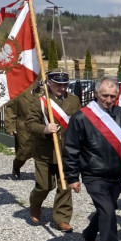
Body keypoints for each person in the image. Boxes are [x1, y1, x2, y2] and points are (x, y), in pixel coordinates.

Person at [63, 76, 121, 241]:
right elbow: (71, 149)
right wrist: (72, 177)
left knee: (106, 210)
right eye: (105, 95)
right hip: (93, 174)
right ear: (96, 94)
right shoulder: (82, 117)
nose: (108, 100)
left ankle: (89, 236)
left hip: (116, 174)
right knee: (108, 210)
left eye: (112, 96)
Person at [26, 72, 81, 231]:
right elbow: (30, 124)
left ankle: (62, 218)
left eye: (64, 85)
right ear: (49, 82)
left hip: (66, 151)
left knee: (65, 185)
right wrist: (44, 128)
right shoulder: (40, 101)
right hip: (45, 151)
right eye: (58, 84)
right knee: (44, 186)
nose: (62, 88)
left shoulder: (74, 100)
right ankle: (35, 203)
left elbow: (78, 122)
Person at [5, 84, 40, 179]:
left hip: (41, 126)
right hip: (24, 125)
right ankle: (16, 166)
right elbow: (11, 109)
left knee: (41, 151)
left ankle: (42, 175)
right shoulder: (20, 91)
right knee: (24, 151)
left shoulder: (44, 91)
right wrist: (10, 127)